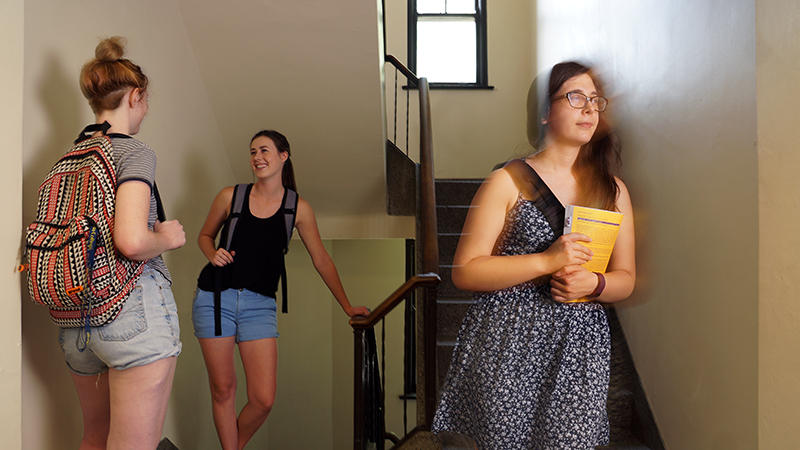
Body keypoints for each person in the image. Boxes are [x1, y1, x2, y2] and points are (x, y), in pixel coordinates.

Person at [431, 61, 636, 449]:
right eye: (576, 97)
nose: (590, 109)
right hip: (510, 342)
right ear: (544, 112)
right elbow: (466, 271)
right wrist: (547, 261)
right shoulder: (508, 181)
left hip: (578, 348)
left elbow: (626, 277)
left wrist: (594, 283)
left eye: (595, 100)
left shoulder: (613, 191)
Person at [192, 129, 370, 449]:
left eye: (264, 151)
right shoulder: (230, 196)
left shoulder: (297, 208)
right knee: (223, 389)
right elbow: (204, 236)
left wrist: (347, 306)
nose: (257, 158)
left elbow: (322, 260)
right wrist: (211, 252)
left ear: (283, 156)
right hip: (214, 298)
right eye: (252, 152)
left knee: (262, 398)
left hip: (260, 305)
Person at [61, 36, 187, 449]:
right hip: (132, 313)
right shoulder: (133, 152)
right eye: (145, 100)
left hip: (75, 319)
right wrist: (166, 236)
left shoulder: (71, 156)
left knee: (95, 437)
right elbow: (131, 241)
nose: (146, 108)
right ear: (135, 96)